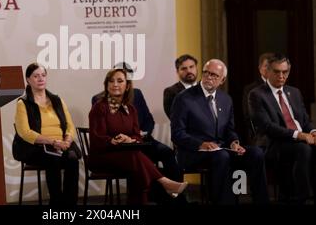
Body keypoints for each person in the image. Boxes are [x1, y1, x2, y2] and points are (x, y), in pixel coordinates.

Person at [171, 59, 269, 204]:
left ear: (222, 80)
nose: (209, 77)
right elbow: (177, 134)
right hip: (193, 152)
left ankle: (261, 202)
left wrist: (234, 143)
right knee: (222, 156)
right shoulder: (184, 98)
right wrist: (201, 144)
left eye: (214, 75)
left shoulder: (226, 99)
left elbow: (229, 130)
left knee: (256, 153)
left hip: (221, 149)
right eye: (206, 73)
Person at [89, 68, 188, 205]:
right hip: (102, 156)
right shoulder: (99, 107)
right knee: (135, 157)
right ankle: (165, 183)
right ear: (106, 85)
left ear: (127, 85)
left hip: (126, 155)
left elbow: (137, 135)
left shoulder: (131, 109)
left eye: (120, 81)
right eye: (111, 81)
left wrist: (130, 139)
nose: (115, 84)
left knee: (137, 167)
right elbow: (96, 138)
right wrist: (113, 140)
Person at [248, 54, 316, 204]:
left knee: (306, 147)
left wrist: (313, 132)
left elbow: (305, 120)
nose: (281, 76)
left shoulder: (294, 92)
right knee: (303, 149)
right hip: (273, 143)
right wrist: (299, 135)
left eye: (284, 72)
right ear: (268, 71)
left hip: (299, 140)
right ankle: (300, 199)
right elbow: (267, 127)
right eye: (277, 71)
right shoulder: (257, 94)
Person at [13, 62, 80, 206]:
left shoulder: (57, 100)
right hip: (37, 147)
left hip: (61, 144)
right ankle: (56, 204)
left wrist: (67, 141)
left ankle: (70, 204)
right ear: (28, 80)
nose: (40, 79)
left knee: (72, 159)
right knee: (53, 158)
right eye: (36, 76)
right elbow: (25, 132)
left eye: (43, 75)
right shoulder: (23, 103)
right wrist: (53, 142)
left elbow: (69, 125)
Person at [241, 52, 273, 144]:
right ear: (260, 68)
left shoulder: (282, 87)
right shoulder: (250, 89)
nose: (269, 69)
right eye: (266, 66)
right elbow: (248, 116)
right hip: (260, 134)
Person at [163, 54, 198, 118]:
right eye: (184, 68)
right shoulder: (171, 92)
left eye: (191, 67)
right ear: (177, 72)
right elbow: (175, 118)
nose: (189, 71)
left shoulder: (206, 88)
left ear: (196, 68)